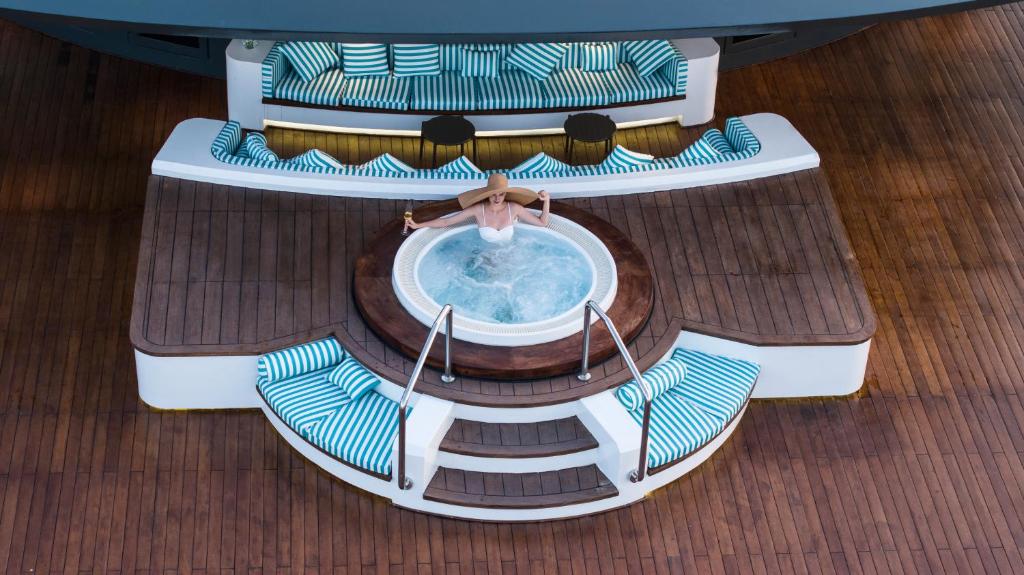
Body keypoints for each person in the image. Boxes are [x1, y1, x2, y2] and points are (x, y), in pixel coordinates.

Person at [405, 173, 550, 242]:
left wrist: (547, 200)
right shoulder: (478, 210)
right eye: (494, 194)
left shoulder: (514, 208)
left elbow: (542, 223)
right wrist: (418, 225)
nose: (497, 198)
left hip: (510, 257)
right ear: (487, 194)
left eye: (501, 194)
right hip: (484, 257)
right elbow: (446, 222)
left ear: (506, 194)